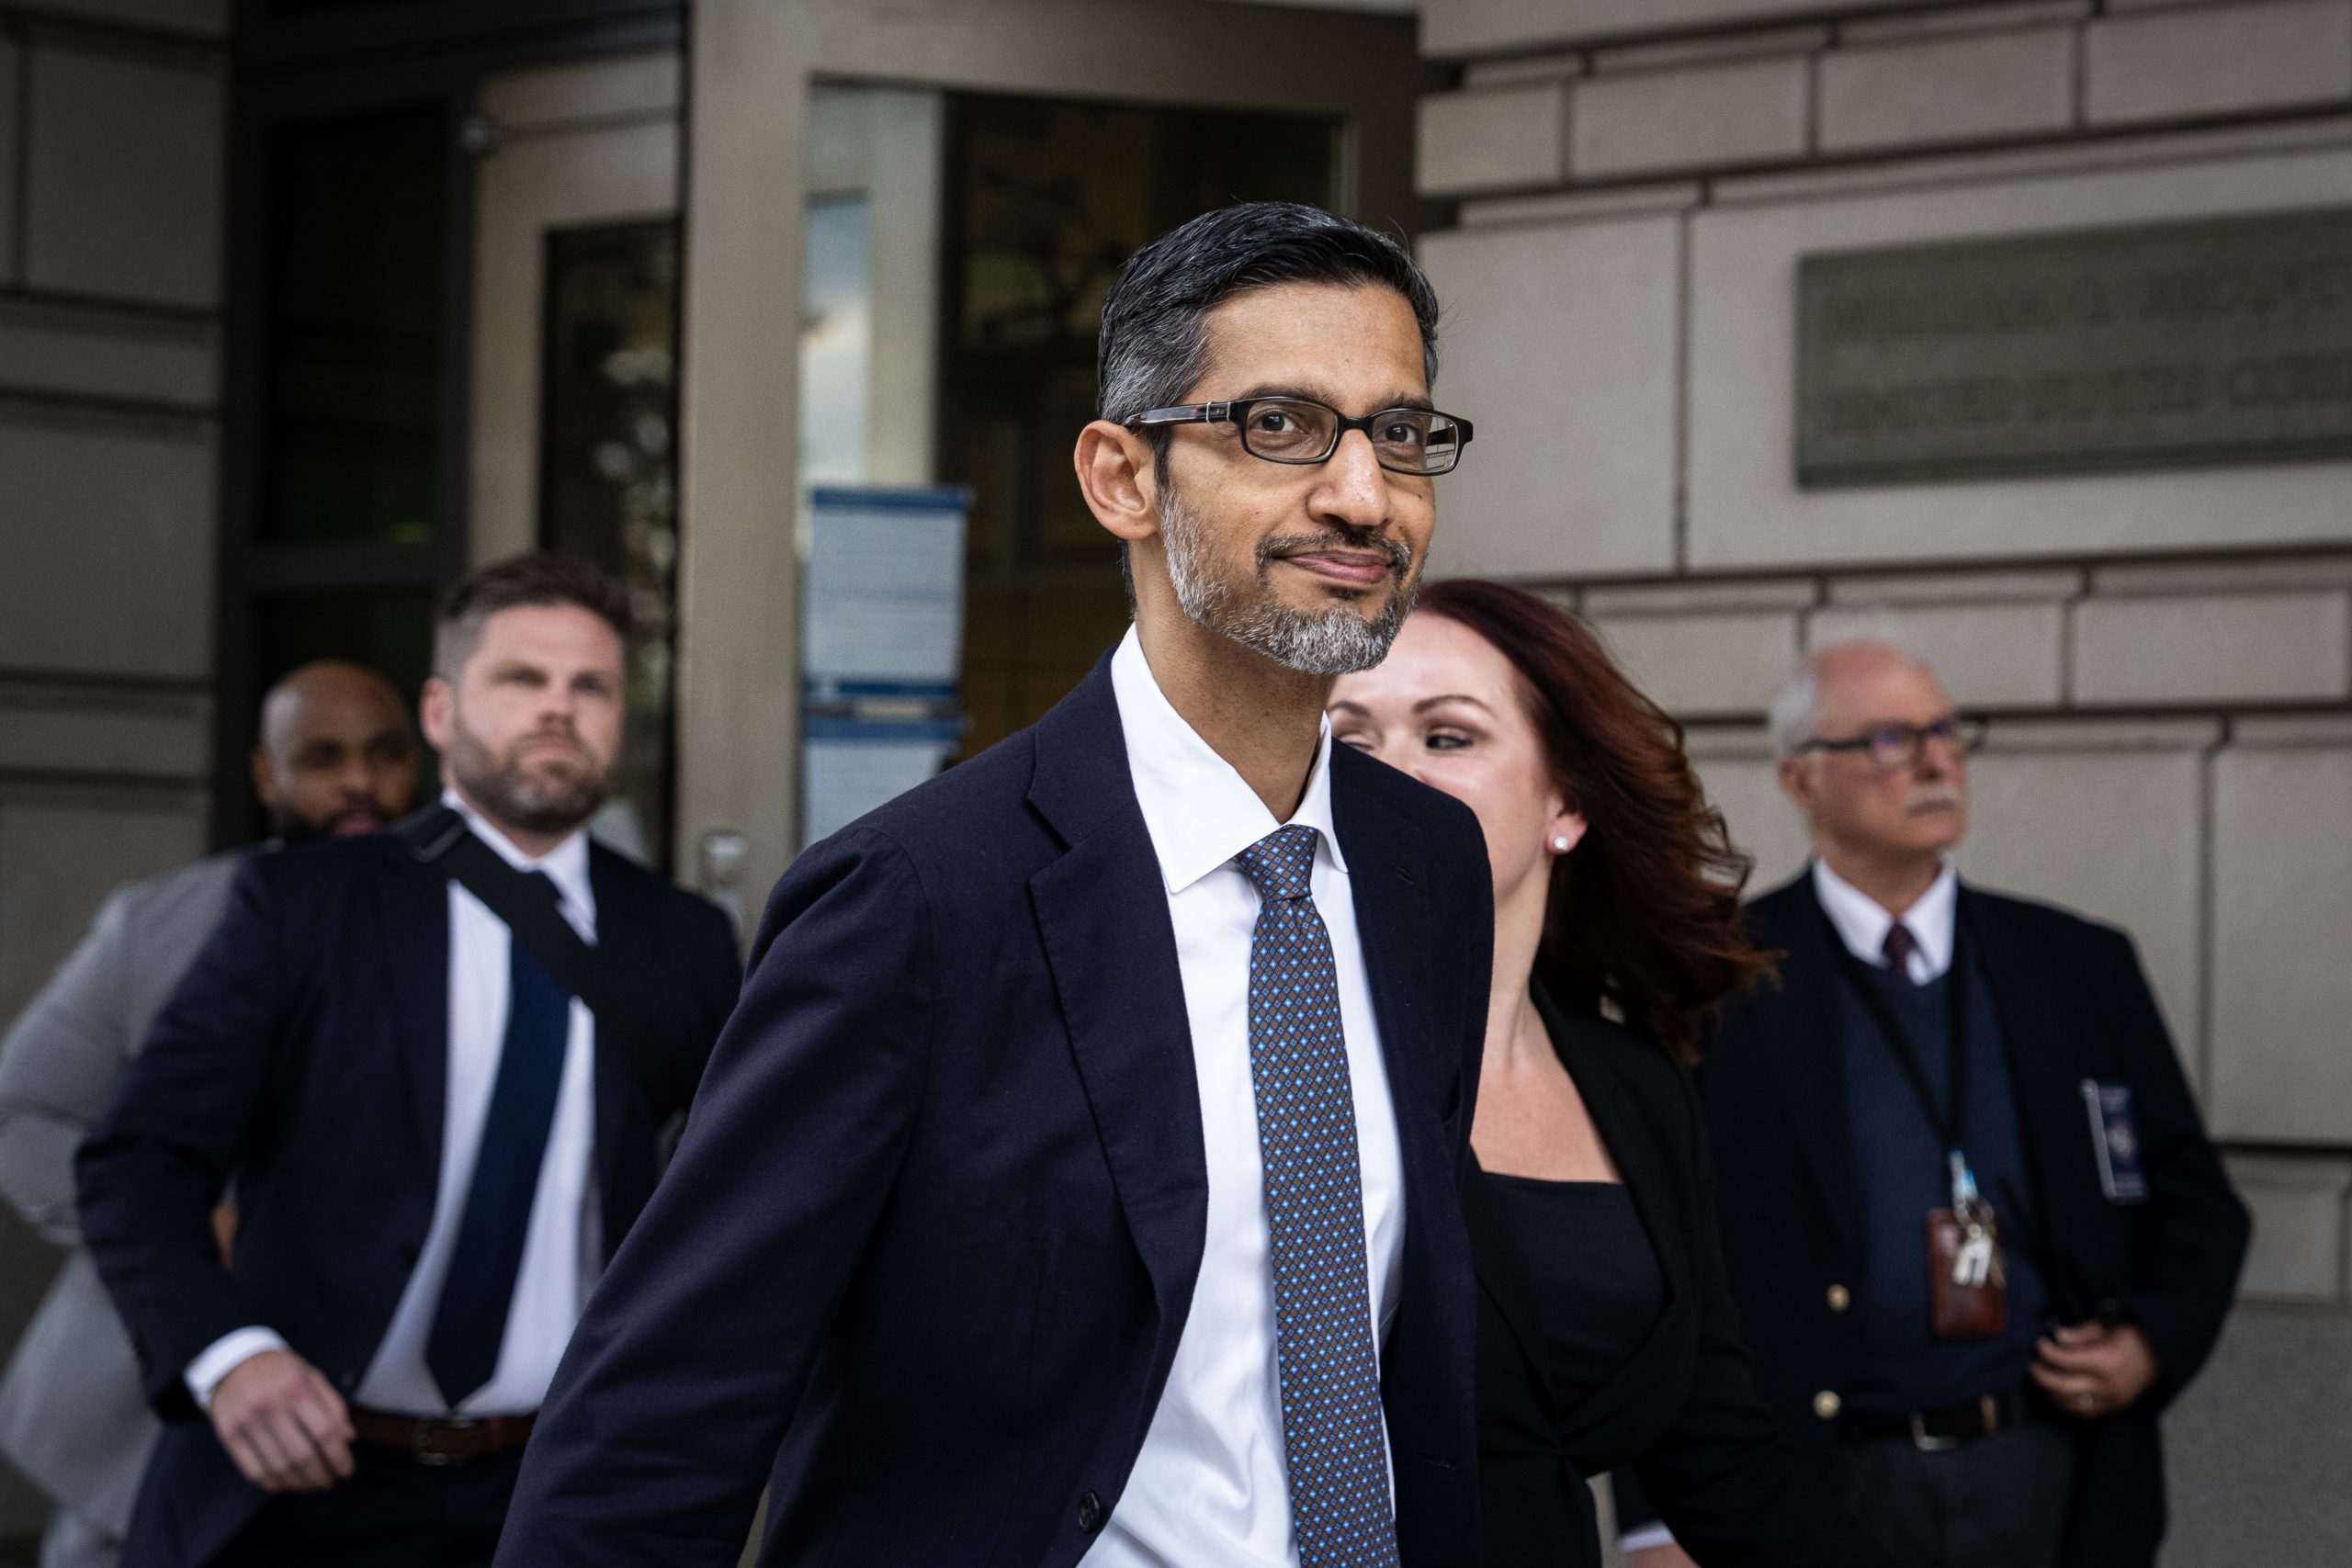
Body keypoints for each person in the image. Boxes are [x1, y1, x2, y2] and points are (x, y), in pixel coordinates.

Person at [493, 202, 1493, 1568]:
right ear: (1121, 477)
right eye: (1281, 426)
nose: (1364, 495)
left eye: (1400, 432)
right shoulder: (913, 899)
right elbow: (661, 1421)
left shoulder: (1426, 867)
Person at [76, 554, 743, 1568]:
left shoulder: (683, 940)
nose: (558, 708)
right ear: (439, 711)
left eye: (591, 686)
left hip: (555, 1488)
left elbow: (740, 1193)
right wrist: (227, 1356)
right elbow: (137, 1162)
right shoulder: (302, 906)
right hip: (306, 1486)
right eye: (521, 678)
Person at [1612, 633, 2250, 1568]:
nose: (1934, 760)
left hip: (2051, 1470)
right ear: (1799, 778)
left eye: (1946, 731)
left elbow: (2198, 1205)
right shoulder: (1713, 977)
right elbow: (1652, 1250)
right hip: (1812, 1480)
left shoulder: (2078, 965)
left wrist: (2152, 1342)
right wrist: (1657, 1519)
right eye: (1888, 739)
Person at [1328, 581, 1894, 1568]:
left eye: (1447, 736)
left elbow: (1724, 1464)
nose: (1387, 775)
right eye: (1348, 737)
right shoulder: (1273, 1061)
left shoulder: (1638, 1090)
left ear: (1568, 802)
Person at [0, 661, 418, 1568]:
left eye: (386, 754)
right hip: (143, 1428)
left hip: (396, 1449)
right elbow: (21, 1111)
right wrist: (185, 1221)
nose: (360, 782)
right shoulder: (157, 922)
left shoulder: (488, 927)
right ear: (267, 775)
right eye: (324, 758)